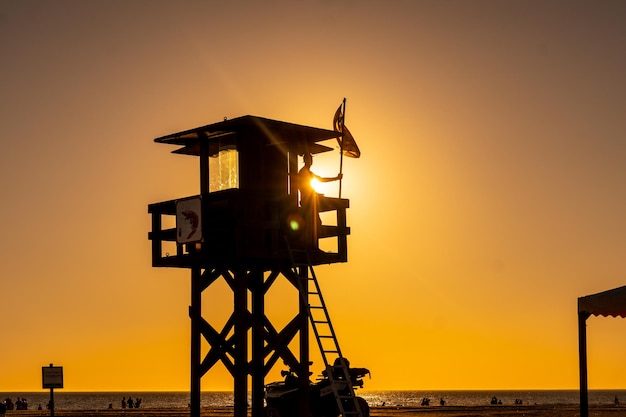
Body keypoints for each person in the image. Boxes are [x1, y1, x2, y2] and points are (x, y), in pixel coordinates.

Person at [296, 153, 342, 247]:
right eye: (309, 160)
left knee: (316, 223)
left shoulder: (308, 172)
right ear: (305, 161)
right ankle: (311, 246)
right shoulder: (303, 172)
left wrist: (336, 178)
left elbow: (320, 179)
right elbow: (302, 186)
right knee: (314, 224)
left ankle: (312, 246)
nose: (310, 162)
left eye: (311, 160)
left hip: (310, 200)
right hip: (307, 201)